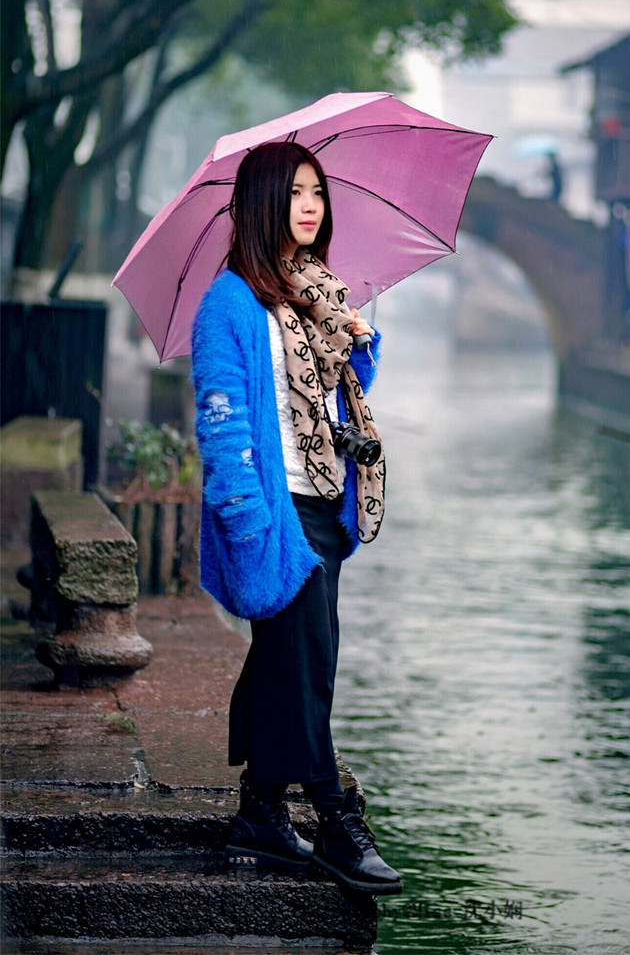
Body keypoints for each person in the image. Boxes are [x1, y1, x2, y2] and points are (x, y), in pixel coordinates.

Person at [191, 141, 402, 895]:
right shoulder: (231, 303)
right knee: (307, 663)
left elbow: (335, 407)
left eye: (317, 191)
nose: (310, 205)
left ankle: (260, 811)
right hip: (272, 511)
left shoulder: (313, 297)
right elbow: (222, 424)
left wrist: (357, 348)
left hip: (323, 501)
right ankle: (333, 814)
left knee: (299, 658)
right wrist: (246, 523)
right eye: (294, 192)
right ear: (260, 204)